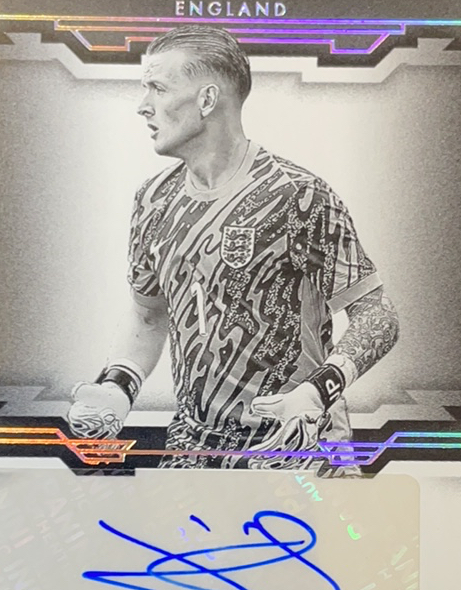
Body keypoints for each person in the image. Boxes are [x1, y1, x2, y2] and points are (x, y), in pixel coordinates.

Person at [67, 25, 399, 469]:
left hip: (295, 450)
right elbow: (148, 315)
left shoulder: (298, 196)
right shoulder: (154, 200)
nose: (143, 106)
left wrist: (319, 390)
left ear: (207, 100)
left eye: (158, 88)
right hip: (192, 447)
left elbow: (377, 314)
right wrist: (117, 387)